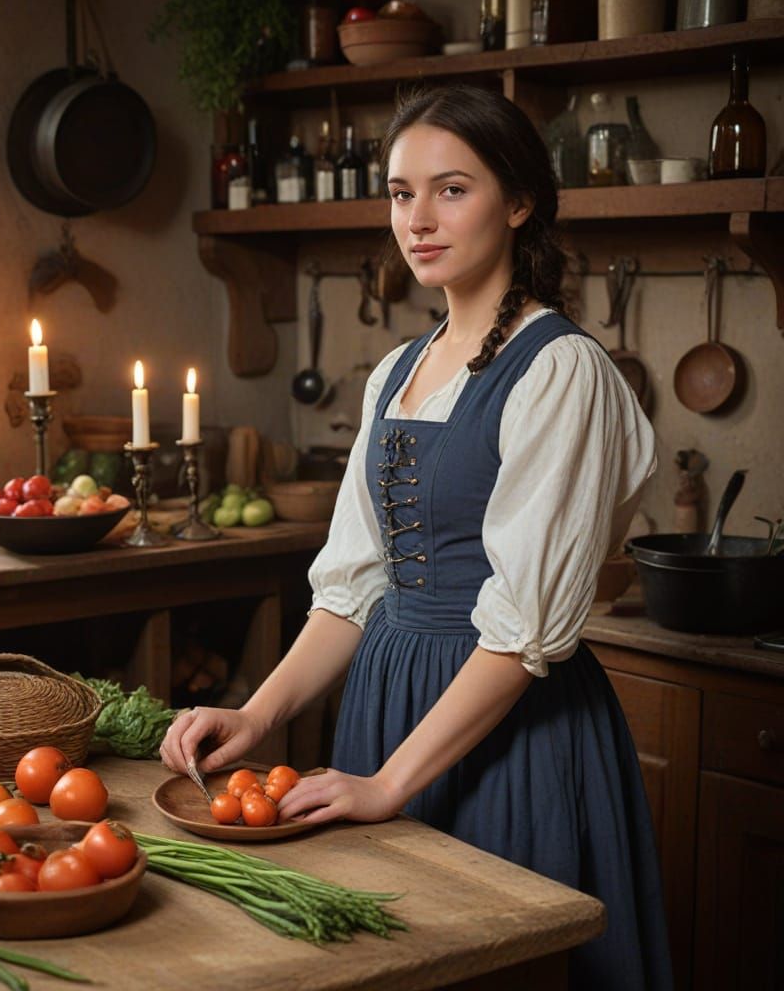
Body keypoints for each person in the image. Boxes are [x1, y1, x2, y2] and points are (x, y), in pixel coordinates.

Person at [161, 83, 673, 990]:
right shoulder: (398, 370)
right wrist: (261, 711)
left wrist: (390, 784)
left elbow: (521, 632)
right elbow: (354, 589)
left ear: (518, 203)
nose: (419, 219)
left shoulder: (561, 371)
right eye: (402, 193)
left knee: (500, 963)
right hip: (386, 699)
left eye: (452, 189)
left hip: (511, 727)